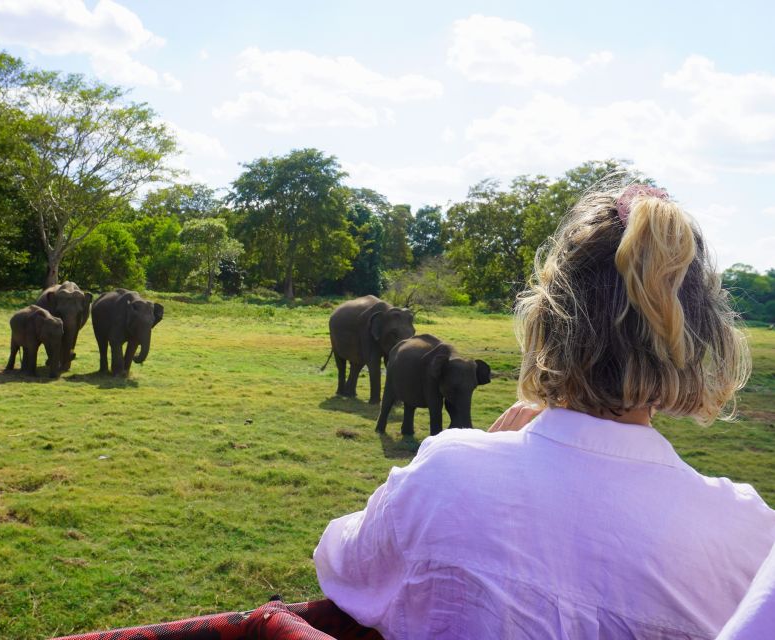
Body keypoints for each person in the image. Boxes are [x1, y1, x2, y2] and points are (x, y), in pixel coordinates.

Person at [313, 183, 775, 639]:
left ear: (546, 323)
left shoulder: (444, 474)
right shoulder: (751, 539)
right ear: (696, 337)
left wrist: (479, 459)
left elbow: (338, 562)